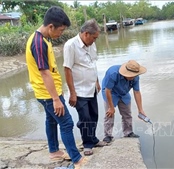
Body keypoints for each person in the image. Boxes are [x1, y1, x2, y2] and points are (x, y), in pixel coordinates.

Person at [25, 6, 86, 169]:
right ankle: (77, 159)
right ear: (51, 26)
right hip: (47, 93)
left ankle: (54, 152)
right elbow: (44, 73)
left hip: (47, 92)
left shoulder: (43, 39)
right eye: (61, 30)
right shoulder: (38, 43)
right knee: (66, 123)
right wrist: (55, 99)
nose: (61, 33)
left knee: (51, 120)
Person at [63, 19, 107, 156]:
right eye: (94, 38)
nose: (95, 41)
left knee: (94, 115)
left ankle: (93, 139)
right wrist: (72, 93)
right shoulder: (71, 45)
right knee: (85, 118)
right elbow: (67, 69)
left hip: (92, 88)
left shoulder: (91, 45)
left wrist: (97, 82)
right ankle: (87, 144)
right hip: (79, 90)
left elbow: (93, 64)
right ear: (86, 34)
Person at [102, 60, 147, 143]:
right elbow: (107, 90)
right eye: (131, 76)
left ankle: (128, 132)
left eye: (134, 75)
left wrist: (140, 110)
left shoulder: (136, 77)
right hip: (111, 92)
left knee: (127, 113)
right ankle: (108, 135)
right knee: (109, 114)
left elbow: (136, 92)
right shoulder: (113, 73)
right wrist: (111, 107)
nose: (133, 77)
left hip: (124, 92)